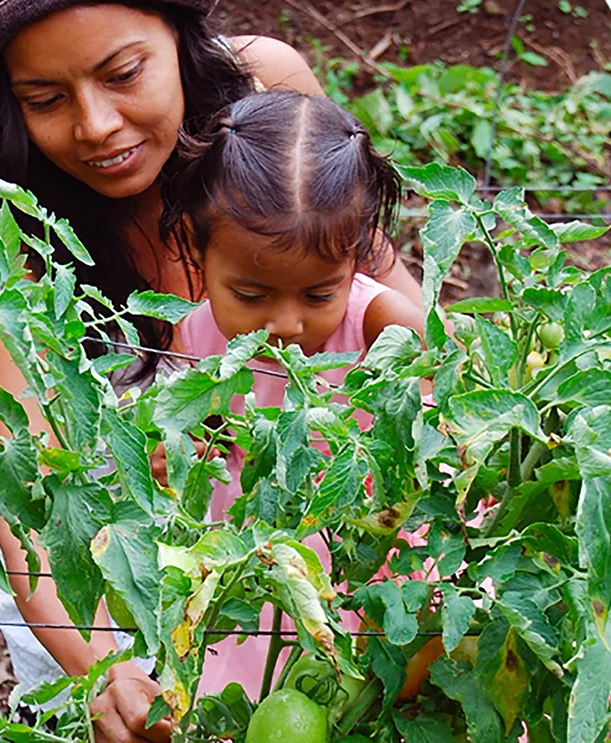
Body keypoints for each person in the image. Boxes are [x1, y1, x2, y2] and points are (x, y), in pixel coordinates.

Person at [0, 1, 424, 740]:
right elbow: (30, 504)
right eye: (44, 98)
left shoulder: (264, 96)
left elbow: (395, 320)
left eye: (124, 73)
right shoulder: (8, 226)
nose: (97, 124)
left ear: (178, 31)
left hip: (312, 547)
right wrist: (106, 669)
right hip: (106, 579)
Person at [162, 89, 426, 697]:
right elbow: (200, 436)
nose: (285, 323)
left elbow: (451, 439)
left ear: (357, 257)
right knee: (259, 703)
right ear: (195, 253)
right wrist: (176, 450)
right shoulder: (196, 332)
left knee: (371, 702)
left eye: (317, 295)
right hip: (257, 578)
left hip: (375, 572)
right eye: (251, 296)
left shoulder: (382, 324)